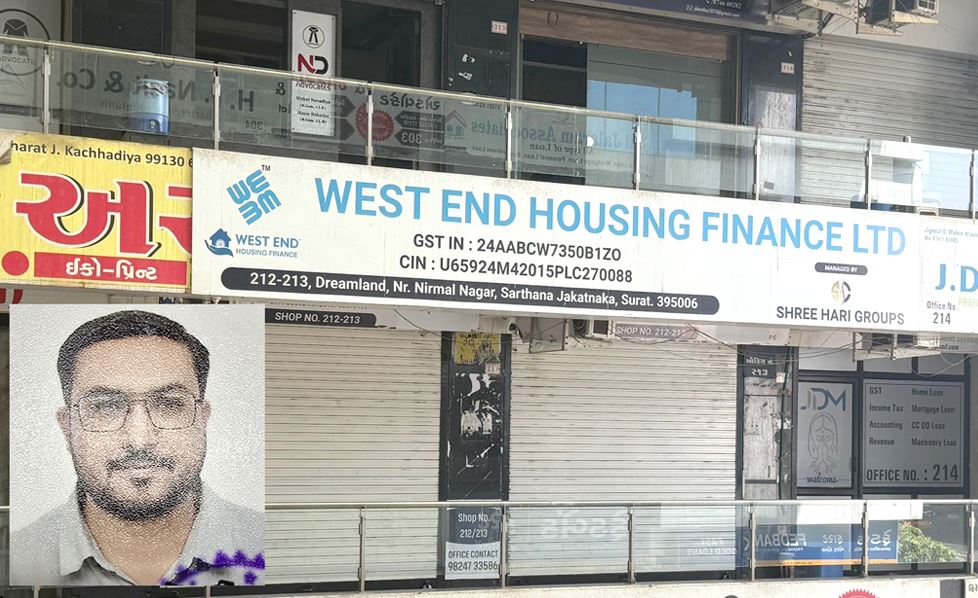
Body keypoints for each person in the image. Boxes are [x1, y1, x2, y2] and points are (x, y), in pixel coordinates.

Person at [11, 310, 264, 587]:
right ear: (67, 427)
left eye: (169, 404)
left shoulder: (266, 541)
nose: (139, 439)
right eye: (105, 406)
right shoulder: (14, 561)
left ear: (202, 420)